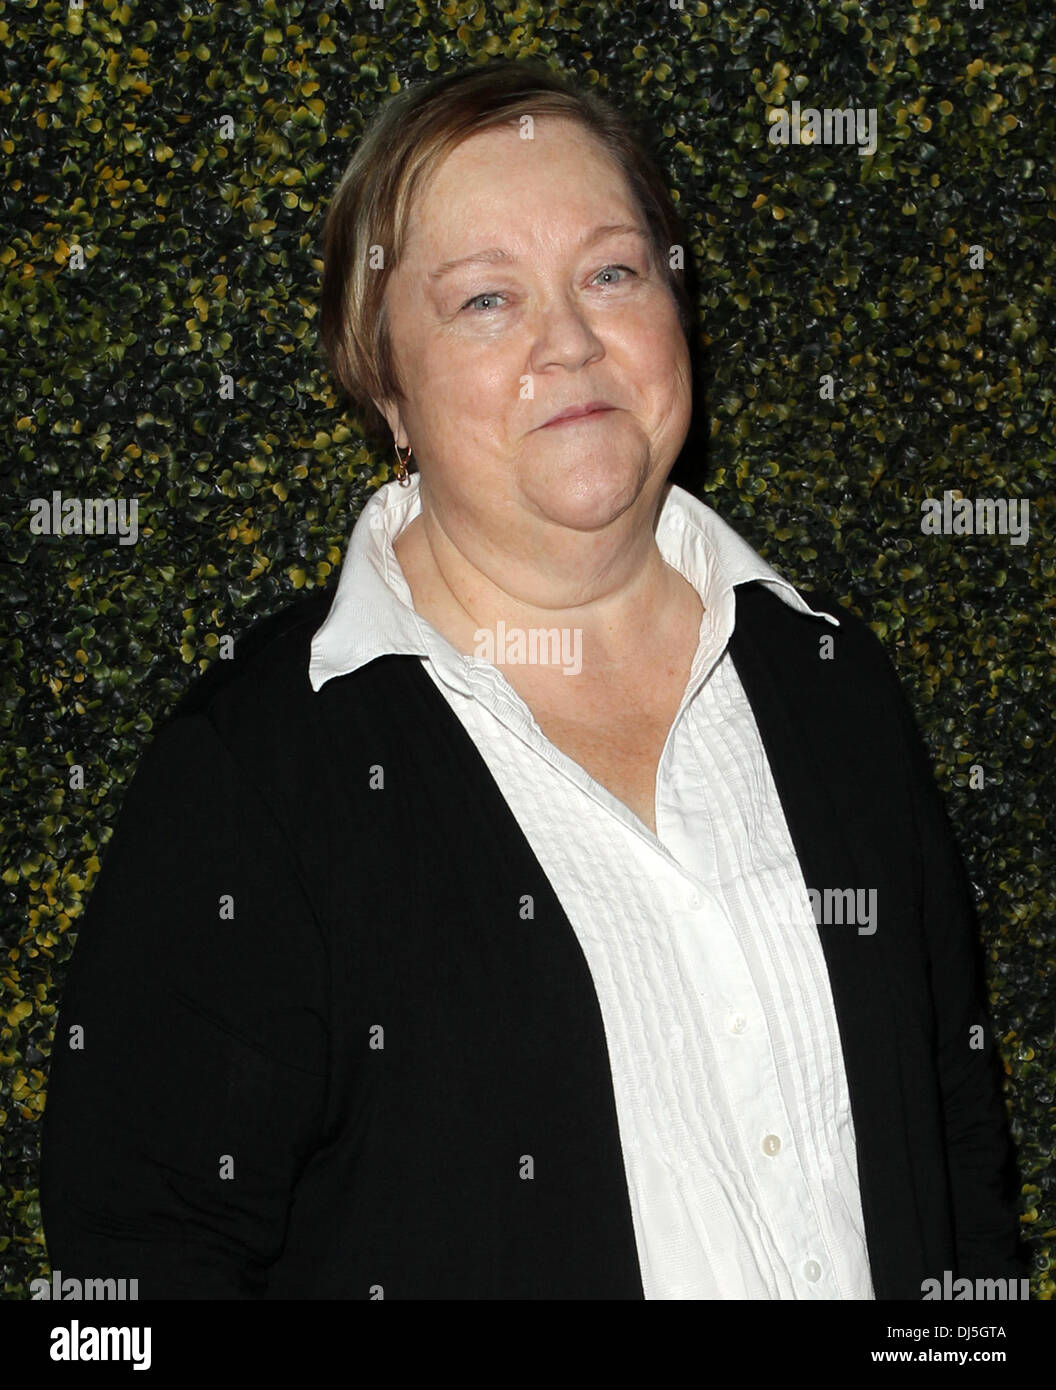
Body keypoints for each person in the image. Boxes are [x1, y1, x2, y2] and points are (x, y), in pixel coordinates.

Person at [40, 60, 1024, 1300]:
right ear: (383, 383)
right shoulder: (255, 771)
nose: (569, 340)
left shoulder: (832, 679)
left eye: (611, 273)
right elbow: (131, 1272)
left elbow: (957, 1156)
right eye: (486, 299)